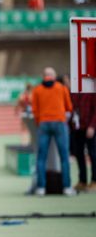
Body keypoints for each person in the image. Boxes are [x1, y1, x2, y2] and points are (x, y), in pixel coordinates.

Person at [31, 67, 75, 196]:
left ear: (43, 76)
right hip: (59, 122)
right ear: (54, 76)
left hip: (44, 124)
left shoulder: (37, 89)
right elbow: (69, 107)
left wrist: (40, 122)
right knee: (64, 157)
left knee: (41, 157)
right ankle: (67, 187)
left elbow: (35, 110)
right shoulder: (61, 88)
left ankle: (41, 188)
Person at [69, 92, 96, 192]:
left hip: (89, 127)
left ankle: (94, 181)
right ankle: (82, 181)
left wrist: (92, 126)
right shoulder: (75, 92)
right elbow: (72, 108)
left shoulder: (92, 92)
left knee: (93, 154)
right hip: (77, 127)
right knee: (79, 154)